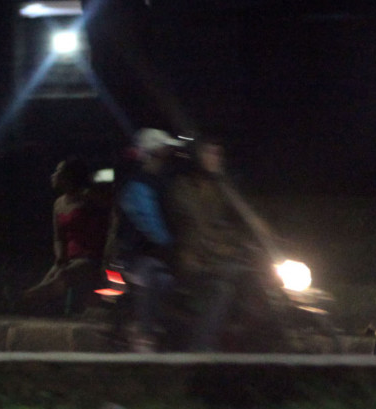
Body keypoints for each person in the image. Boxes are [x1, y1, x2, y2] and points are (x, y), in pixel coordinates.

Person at [167, 135, 252, 351]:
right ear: (197, 156)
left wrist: (258, 240)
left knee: (257, 277)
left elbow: (238, 221)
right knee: (222, 288)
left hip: (216, 258)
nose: (215, 158)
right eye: (209, 153)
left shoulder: (221, 189)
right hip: (192, 261)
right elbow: (198, 227)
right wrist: (224, 248)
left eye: (218, 153)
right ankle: (200, 349)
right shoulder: (184, 188)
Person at [112, 128, 184, 351]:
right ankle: (144, 334)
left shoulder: (164, 181)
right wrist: (170, 246)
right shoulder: (139, 185)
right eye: (165, 150)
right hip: (136, 255)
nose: (169, 155)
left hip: (158, 253)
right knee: (153, 276)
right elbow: (149, 223)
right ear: (154, 153)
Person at [23, 156, 110, 314]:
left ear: (70, 177)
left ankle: (24, 299)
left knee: (63, 275)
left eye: (58, 172)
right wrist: (60, 256)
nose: (53, 175)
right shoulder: (58, 203)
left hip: (90, 257)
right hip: (68, 258)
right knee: (51, 276)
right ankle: (30, 301)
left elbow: (111, 219)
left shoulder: (89, 197)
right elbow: (58, 237)